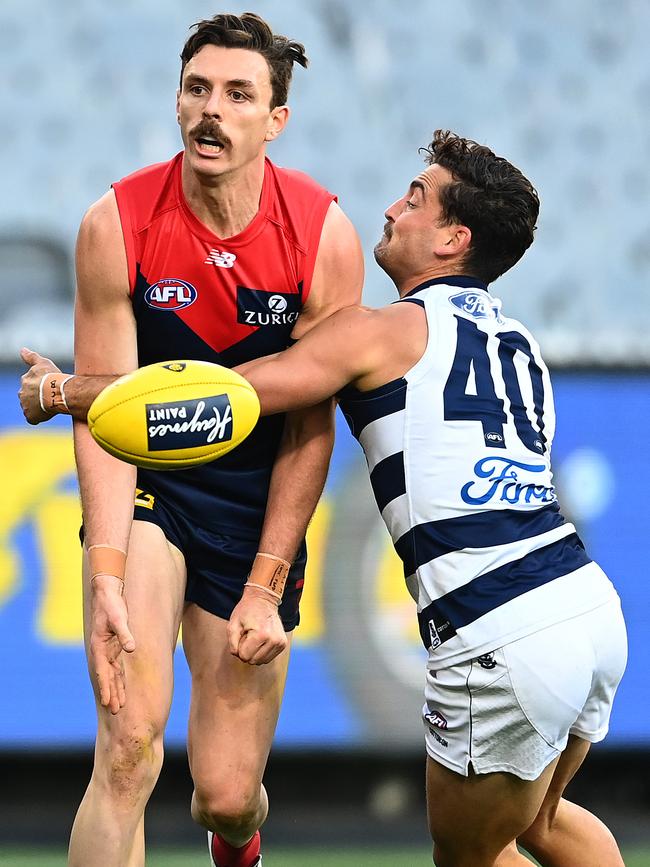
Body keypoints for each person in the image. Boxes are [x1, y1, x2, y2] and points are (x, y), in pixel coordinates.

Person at [23, 130, 628, 867]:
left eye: (415, 201)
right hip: (588, 609)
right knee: (541, 821)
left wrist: (63, 391)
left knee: (470, 854)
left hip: (498, 629)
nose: (392, 209)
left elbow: (229, 394)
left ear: (453, 239)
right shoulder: (518, 343)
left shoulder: (382, 333)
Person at [19, 12, 363, 867]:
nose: (212, 110)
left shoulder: (322, 235)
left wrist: (267, 581)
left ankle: (238, 838)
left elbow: (310, 428)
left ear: (274, 120)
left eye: (238, 94)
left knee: (227, 792)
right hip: (152, 500)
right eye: (198, 89)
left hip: (255, 510)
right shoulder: (119, 222)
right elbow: (108, 419)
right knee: (127, 751)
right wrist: (102, 574)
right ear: (177, 102)